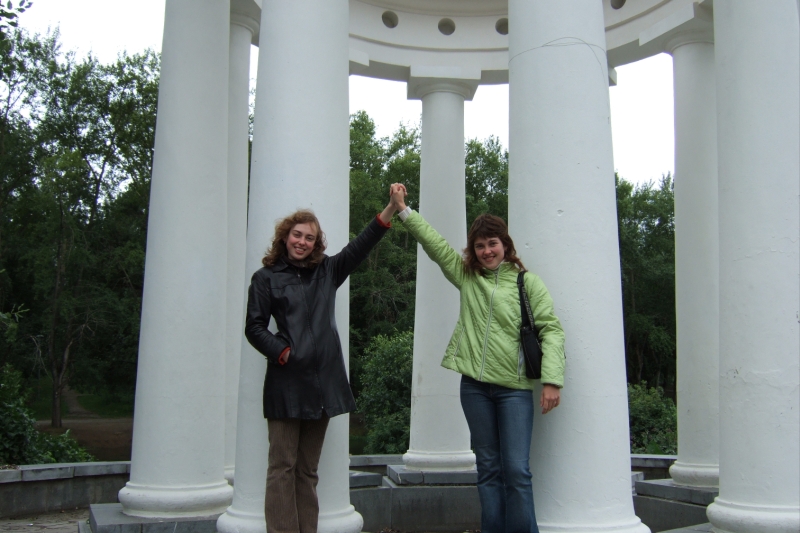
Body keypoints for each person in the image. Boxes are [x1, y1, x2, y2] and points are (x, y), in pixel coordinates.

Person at [390, 185, 565, 533]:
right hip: (474, 388)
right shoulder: (468, 277)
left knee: (517, 471)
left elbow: (551, 330)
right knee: (488, 469)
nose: (487, 251)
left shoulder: (527, 283)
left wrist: (552, 380)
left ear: (505, 245)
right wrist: (404, 210)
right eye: (480, 245)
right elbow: (436, 245)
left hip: (514, 390)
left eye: (492, 243)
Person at [244, 185, 404, 533]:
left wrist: (391, 208)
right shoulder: (265, 278)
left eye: (310, 238)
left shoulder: (328, 271)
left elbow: (361, 245)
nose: (302, 242)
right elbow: (254, 328)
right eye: (297, 235)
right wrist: (283, 351)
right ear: (285, 237)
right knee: (281, 468)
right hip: (286, 384)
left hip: (323, 384)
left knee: (307, 470)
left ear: (316, 243)